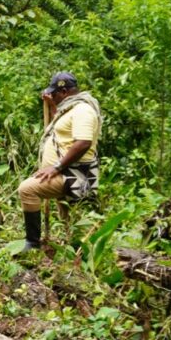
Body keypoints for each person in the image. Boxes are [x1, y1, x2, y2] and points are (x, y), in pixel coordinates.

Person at [16, 72, 102, 253]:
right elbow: (62, 127)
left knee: (27, 189)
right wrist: (52, 104)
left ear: (64, 91)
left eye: (54, 93)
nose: (53, 96)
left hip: (74, 174)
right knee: (68, 218)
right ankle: (74, 252)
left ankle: (32, 244)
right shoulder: (70, 109)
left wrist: (57, 167)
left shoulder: (83, 110)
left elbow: (83, 142)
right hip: (66, 172)